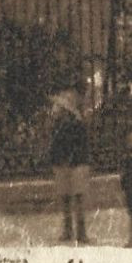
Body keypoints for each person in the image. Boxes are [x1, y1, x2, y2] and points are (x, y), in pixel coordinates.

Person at [47, 85, 91, 244]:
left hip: (76, 164)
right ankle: (69, 230)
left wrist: (67, 159)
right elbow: (54, 146)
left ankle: (80, 232)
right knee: (65, 198)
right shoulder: (57, 126)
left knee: (77, 198)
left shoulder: (77, 124)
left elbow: (80, 146)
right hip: (64, 164)